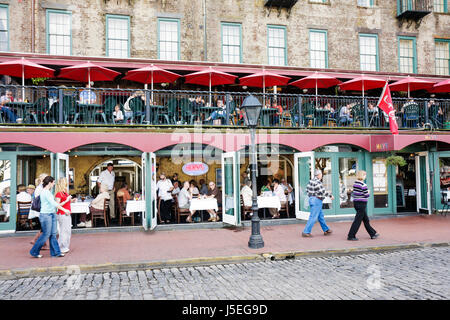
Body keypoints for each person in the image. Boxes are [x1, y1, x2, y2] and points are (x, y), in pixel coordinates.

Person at [29, 176, 69, 258]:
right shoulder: (45, 192)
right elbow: (53, 203)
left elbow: (53, 204)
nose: (54, 184)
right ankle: (34, 251)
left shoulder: (47, 191)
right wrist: (64, 210)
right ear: (50, 183)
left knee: (53, 234)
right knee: (46, 234)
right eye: (53, 182)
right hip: (46, 215)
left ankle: (56, 253)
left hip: (51, 214)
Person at [347, 170, 379, 241]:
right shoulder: (363, 185)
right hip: (362, 204)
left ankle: (373, 233)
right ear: (363, 176)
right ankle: (351, 235)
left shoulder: (355, 184)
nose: (365, 176)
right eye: (365, 175)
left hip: (356, 203)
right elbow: (366, 195)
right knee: (357, 221)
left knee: (366, 220)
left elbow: (356, 193)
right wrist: (368, 192)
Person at [302, 169, 334, 237]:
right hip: (317, 200)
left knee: (320, 216)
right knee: (313, 216)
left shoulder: (311, 181)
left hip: (312, 199)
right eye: (321, 174)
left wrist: (311, 195)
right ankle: (306, 231)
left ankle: (326, 229)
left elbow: (306, 190)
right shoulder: (318, 182)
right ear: (319, 175)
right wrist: (330, 195)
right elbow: (323, 192)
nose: (322, 175)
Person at [55, 177, 75, 253]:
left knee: (67, 230)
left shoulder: (64, 193)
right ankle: (61, 247)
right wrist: (67, 200)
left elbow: (66, 203)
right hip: (62, 213)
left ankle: (65, 246)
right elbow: (57, 205)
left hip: (67, 213)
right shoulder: (59, 194)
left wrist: (71, 200)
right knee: (63, 231)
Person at [30, 173, 50, 249]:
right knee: (44, 227)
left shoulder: (41, 187)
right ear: (42, 179)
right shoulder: (40, 188)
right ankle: (35, 240)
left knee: (44, 227)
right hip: (40, 209)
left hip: (41, 209)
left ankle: (43, 244)